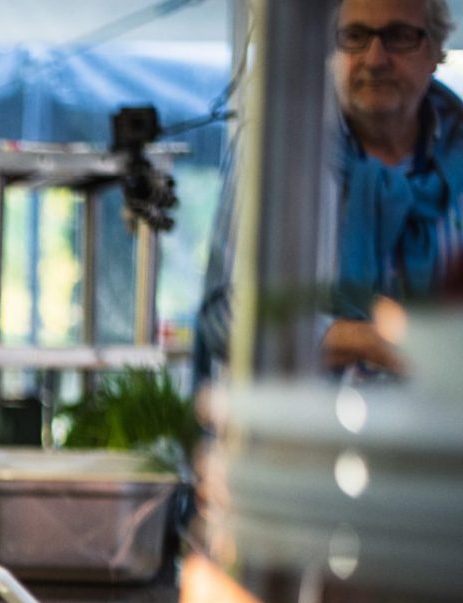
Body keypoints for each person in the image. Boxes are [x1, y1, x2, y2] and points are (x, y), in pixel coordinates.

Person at [197, 0, 462, 378]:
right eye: (353, 36)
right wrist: (369, 342)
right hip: (306, 429)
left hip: (444, 429)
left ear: (437, 50)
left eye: (399, 37)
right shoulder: (279, 153)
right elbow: (225, 317)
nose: (375, 59)